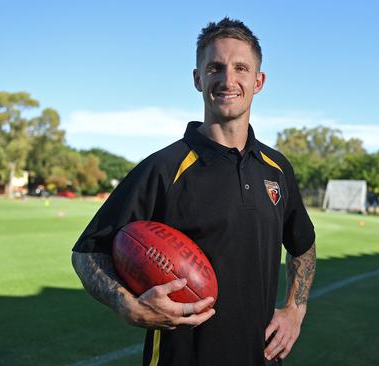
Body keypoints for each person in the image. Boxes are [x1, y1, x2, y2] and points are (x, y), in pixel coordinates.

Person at [72, 17, 316, 366]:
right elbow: (87, 254)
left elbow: (303, 245)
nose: (228, 80)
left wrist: (296, 308)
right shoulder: (163, 167)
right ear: (198, 78)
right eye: (215, 67)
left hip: (260, 357)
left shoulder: (276, 168)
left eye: (241, 68)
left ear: (258, 81)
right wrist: (128, 305)